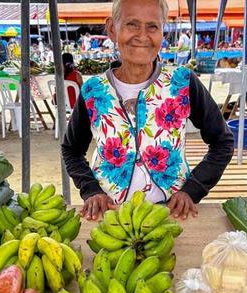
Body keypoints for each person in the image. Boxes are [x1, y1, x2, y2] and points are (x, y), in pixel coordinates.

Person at [62, 0, 234, 221]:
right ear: (113, 29)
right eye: (132, 24)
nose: (142, 36)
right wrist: (90, 190)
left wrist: (193, 189)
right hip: (110, 217)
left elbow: (222, 141)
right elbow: (71, 149)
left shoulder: (182, 82)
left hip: (170, 215)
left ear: (163, 32)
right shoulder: (93, 90)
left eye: (152, 26)